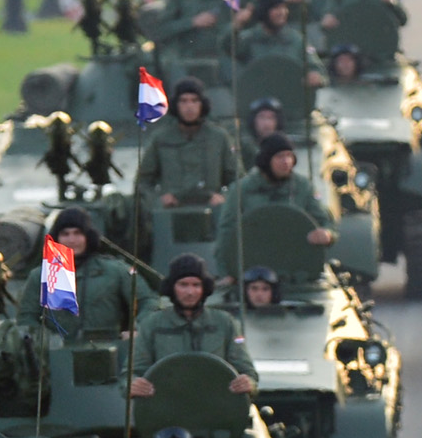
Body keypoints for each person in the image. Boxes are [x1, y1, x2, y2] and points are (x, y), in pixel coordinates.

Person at [130, 253, 260, 393]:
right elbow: (132, 372)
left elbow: (247, 371)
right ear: (172, 287)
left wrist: (248, 383)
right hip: (167, 404)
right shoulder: (152, 324)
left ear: (204, 288)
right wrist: (133, 385)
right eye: (183, 285)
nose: (190, 292)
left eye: (196, 285)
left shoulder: (225, 323)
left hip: (215, 403)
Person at [215, 133, 338, 269]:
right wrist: (226, 271)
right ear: (267, 160)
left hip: (296, 263)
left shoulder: (303, 187)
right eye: (280, 156)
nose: (286, 162)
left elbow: (324, 221)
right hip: (254, 264)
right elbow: (226, 232)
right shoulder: (241, 190)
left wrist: (327, 234)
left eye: (289, 155)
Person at [35, 204, 140, 335]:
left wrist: (136, 330)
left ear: (88, 237)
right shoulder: (41, 275)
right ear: (57, 238)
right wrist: (44, 339)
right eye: (65, 234)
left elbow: (147, 301)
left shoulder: (115, 271)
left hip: (109, 347)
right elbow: (27, 318)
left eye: (77, 233)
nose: (71, 240)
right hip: (57, 351)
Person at [133, 77, 241, 204]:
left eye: (194, 101)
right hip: (172, 211)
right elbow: (142, 182)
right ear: (176, 104)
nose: (189, 106)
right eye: (183, 101)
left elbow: (238, 179)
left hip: (212, 208)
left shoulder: (219, 138)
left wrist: (224, 197)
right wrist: (158, 200)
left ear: (202, 104)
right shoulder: (161, 139)